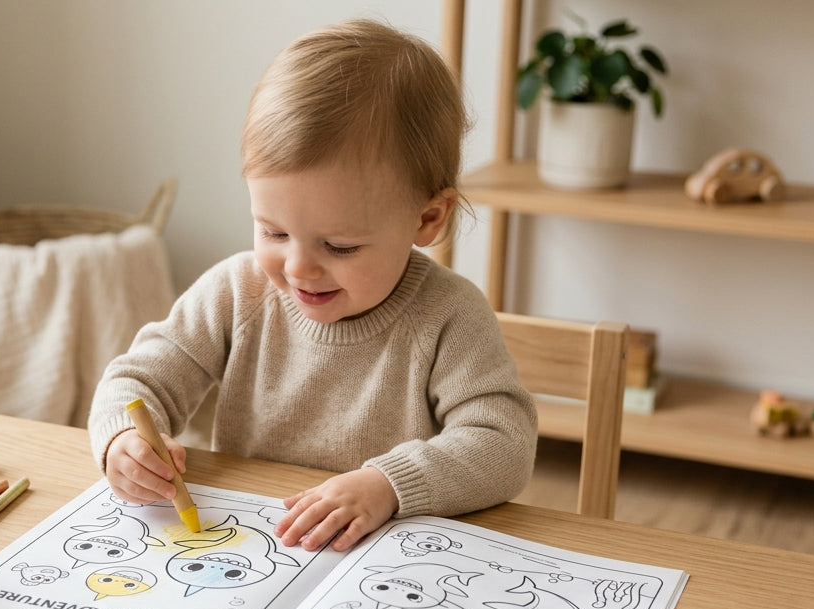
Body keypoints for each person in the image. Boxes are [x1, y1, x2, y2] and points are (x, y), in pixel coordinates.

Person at [87, 18, 537, 552]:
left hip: (384, 562)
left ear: (426, 219)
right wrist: (122, 439)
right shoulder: (237, 292)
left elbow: (504, 443)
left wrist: (389, 484)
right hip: (257, 547)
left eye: (340, 246)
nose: (298, 268)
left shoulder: (449, 315)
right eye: (273, 231)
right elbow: (137, 380)